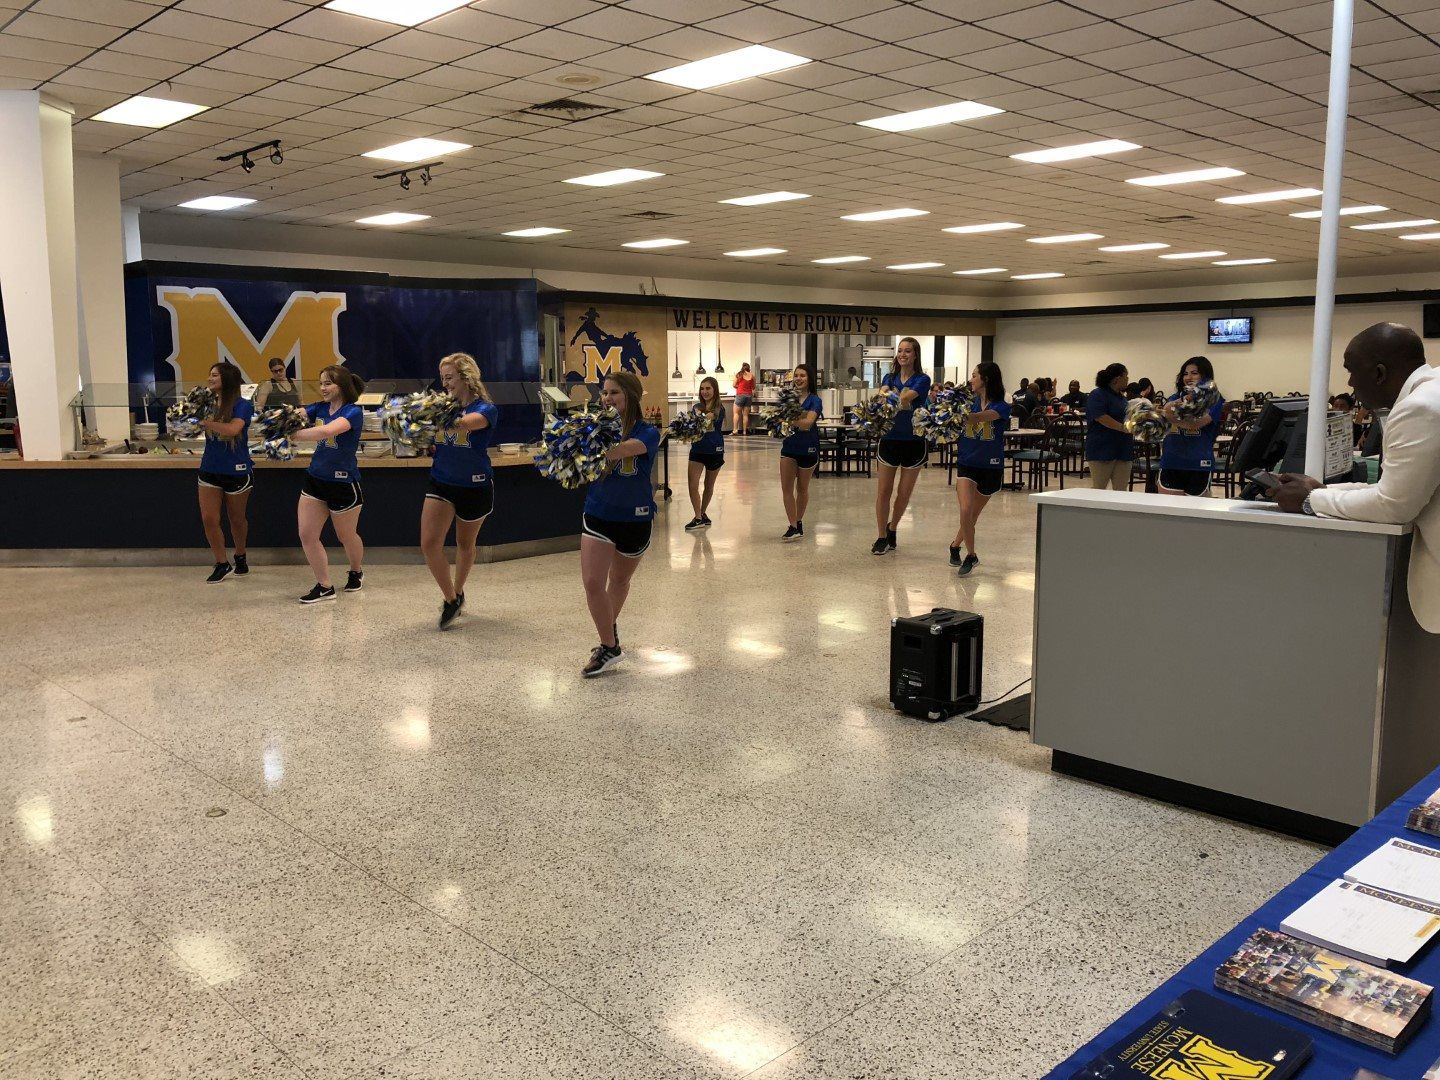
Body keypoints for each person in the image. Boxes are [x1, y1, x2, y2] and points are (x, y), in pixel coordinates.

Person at [1275, 323, 1440, 632]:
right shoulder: (1434, 387)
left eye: (1352, 371)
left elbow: (1393, 505)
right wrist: (1325, 490)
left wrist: (1311, 500)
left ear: (1379, 373)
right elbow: (1396, 486)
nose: (1350, 384)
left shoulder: (1419, 407)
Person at [579, 370, 661, 676]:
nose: (607, 398)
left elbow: (622, 450)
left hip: (635, 518)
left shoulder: (648, 432)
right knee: (592, 582)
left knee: (620, 580)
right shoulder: (594, 428)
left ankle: (607, 637)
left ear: (631, 396)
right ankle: (609, 646)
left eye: (614, 392)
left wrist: (581, 442)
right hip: (598, 513)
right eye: (604, 393)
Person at [422, 353, 498, 630]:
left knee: (465, 544)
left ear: (466, 377)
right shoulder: (442, 407)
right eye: (443, 378)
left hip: (475, 486)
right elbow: (436, 440)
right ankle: (450, 598)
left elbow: (464, 424)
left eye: (450, 377)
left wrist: (424, 417)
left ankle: (459, 588)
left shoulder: (486, 409)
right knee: (430, 545)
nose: (445, 383)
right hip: (441, 482)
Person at [292, 365, 366, 604]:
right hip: (315, 479)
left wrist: (291, 434)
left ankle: (356, 570)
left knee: (346, 536)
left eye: (327, 383)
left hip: (343, 484)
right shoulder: (320, 407)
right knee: (307, 534)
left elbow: (325, 431)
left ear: (342, 386)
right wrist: (279, 419)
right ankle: (325, 586)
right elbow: (297, 414)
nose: (322, 388)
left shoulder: (353, 412)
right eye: (321, 383)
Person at [872, 337, 932, 555]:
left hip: (914, 442)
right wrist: (889, 397)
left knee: (904, 493)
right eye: (900, 350)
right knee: (883, 492)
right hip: (889, 439)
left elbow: (904, 398)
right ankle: (880, 536)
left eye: (907, 351)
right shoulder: (889, 376)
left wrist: (891, 396)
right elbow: (882, 399)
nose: (903, 354)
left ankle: (893, 527)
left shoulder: (923, 379)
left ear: (915, 355)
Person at [196, 361, 253, 583]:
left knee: (236, 520)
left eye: (215, 376)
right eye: (210, 375)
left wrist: (204, 422)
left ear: (227, 379)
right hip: (209, 468)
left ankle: (240, 555)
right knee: (209, 518)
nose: (210, 379)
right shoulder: (206, 404)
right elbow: (190, 425)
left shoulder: (242, 405)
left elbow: (233, 429)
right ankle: (221, 563)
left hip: (237, 471)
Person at [952, 361, 1011, 576]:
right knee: (965, 511)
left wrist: (952, 413)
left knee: (972, 516)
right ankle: (971, 555)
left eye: (975, 375)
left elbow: (976, 419)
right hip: (966, 463)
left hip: (990, 467)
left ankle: (955, 545)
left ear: (985, 379)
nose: (971, 379)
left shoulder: (1002, 407)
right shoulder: (968, 402)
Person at [1157, 356, 1225, 497]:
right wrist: (1183, 399)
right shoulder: (1176, 397)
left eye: (1194, 373)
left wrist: (1173, 418)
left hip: (1199, 463)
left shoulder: (1214, 399)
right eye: (1185, 373)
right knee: (1168, 513)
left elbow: (1197, 423)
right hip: (1171, 462)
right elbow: (1166, 409)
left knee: (1194, 515)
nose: (1189, 377)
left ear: (1205, 376)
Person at [778, 364, 821, 541]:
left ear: (809, 378)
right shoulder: (788, 397)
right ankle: (793, 525)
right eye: (796, 375)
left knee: (802, 488)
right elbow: (779, 420)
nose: (799, 379)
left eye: (802, 375)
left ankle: (799, 520)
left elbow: (807, 424)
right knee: (786, 489)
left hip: (809, 448)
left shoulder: (815, 400)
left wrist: (789, 418)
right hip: (789, 447)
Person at [684, 375, 725, 531]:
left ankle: (702, 513)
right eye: (702, 388)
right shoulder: (696, 406)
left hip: (715, 450)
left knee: (709, 485)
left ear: (715, 390)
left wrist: (696, 418)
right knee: (692, 485)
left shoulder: (719, 408)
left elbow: (708, 418)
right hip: (697, 450)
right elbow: (692, 423)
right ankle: (698, 516)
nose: (705, 391)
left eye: (708, 388)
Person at [1086, 363, 1134, 490]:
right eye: (1126, 376)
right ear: (1117, 379)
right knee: (1099, 489)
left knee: (1121, 490)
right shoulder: (1097, 394)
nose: (1128, 380)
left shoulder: (1122, 399)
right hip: (1102, 449)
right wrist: (1124, 428)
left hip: (1123, 450)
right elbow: (1101, 417)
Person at [732, 362, 755, 436]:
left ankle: (735, 430)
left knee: (736, 413)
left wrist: (738, 387)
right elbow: (753, 387)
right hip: (748, 396)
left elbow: (734, 384)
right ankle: (744, 431)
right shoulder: (752, 375)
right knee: (745, 415)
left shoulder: (739, 374)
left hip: (740, 395)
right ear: (749, 368)